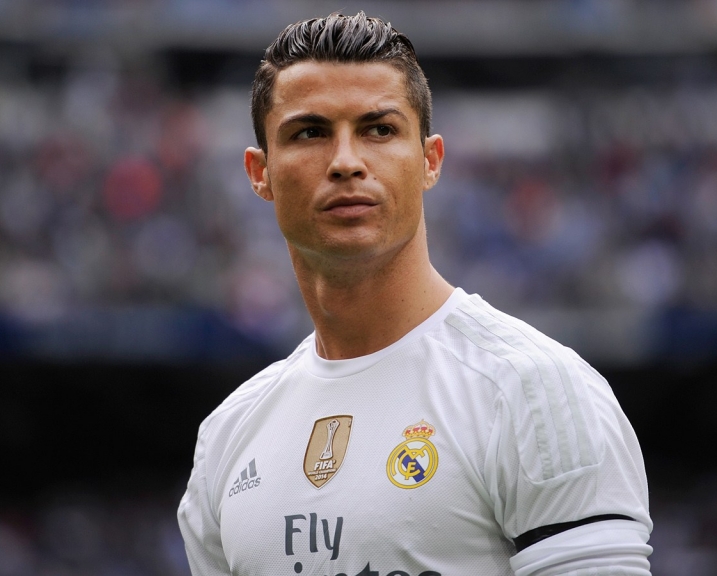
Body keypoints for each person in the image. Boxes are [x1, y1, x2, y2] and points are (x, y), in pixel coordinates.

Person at [178, 12, 652, 575]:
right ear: (260, 173)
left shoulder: (534, 392)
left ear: (429, 161)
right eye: (310, 132)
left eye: (379, 129)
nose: (347, 162)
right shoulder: (228, 437)